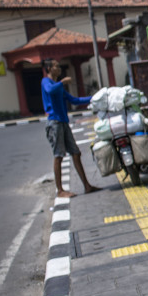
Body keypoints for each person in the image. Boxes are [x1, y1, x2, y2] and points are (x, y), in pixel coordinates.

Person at [41, 58, 100, 198]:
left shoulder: (58, 85)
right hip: (54, 123)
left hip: (63, 123)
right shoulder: (46, 82)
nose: (59, 68)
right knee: (59, 156)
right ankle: (60, 190)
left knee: (76, 153)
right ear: (49, 69)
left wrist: (94, 97)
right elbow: (49, 90)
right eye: (56, 66)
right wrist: (62, 82)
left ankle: (87, 186)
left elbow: (74, 100)